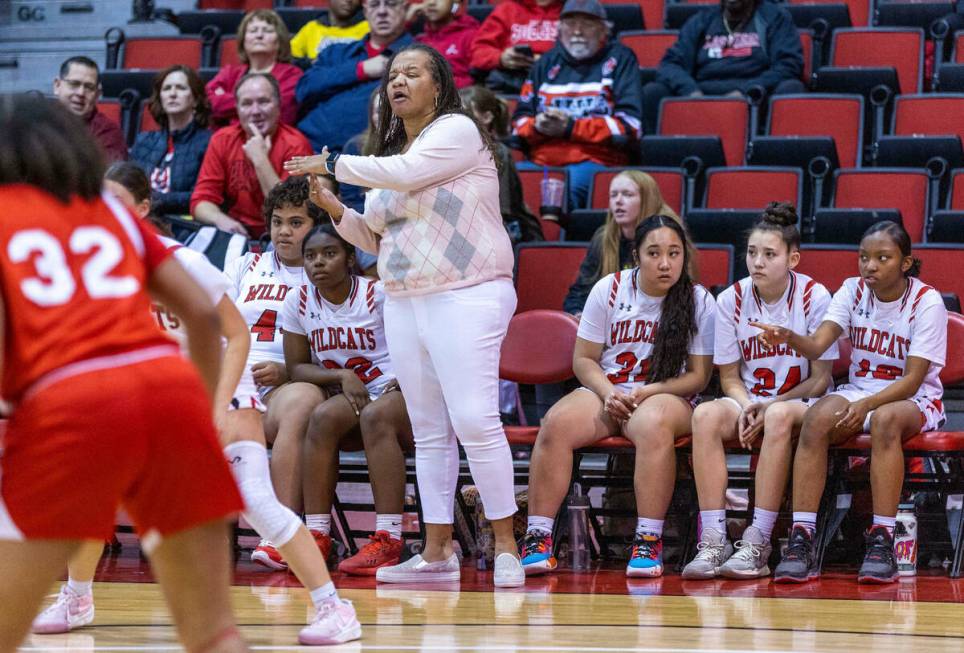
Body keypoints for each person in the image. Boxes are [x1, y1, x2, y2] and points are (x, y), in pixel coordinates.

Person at [0, 93, 245, 653]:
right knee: (215, 636)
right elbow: (203, 319)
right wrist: (204, 416)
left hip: (71, 401)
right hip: (170, 391)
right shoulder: (110, 210)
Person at [285, 43, 525, 588]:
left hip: (467, 292)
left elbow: (410, 172)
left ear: (437, 85)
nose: (398, 82)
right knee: (429, 427)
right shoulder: (389, 159)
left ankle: (508, 544)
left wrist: (333, 163)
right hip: (406, 297)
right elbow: (373, 238)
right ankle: (437, 551)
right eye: (392, 75)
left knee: (474, 418)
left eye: (411, 73)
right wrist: (336, 210)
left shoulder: (457, 132)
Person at [520, 215, 716, 578]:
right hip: (610, 390)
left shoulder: (697, 299)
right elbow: (583, 360)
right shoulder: (609, 289)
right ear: (636, 255)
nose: (665, 263)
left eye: (674, 253)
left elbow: (698, 376)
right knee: (556, 423)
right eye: (654, 253)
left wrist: (648, 391)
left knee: (651, 423)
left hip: (667, 395)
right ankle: (538, 535)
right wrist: (609, 393)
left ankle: (648, 540)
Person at [755, 221, 948, 585]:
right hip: (859, 389)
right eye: (863, 258)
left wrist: (865, 407)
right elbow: (817, 345)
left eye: (882, 258)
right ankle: (803, 537)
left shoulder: (927, 302)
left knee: (884, 420)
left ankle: (883, 539)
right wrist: (789, 337)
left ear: (906, 263)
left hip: (913, 398)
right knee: (814, 419)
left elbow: (911, 381)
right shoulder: (851, 290)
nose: (870, 266)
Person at [681, 202, 837, 580]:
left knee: (780, 416)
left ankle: (759, 540)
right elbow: (729, 376)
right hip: (749, 401)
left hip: (801, 402)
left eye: (769, 254)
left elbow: (821, 378)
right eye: (752, 253)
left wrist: (771, 406)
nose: (758, 262)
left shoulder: (815, 298)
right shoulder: (730, 300)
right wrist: (749, 405)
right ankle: (715, 537)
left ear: (792, 259)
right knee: (703, 414)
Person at [281, 224, 413, 575]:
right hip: (355, 392)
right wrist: (339, 375)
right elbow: (296, 367)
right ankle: (318, 535)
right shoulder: (298, 301)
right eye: (310, 257)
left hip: (398, 390)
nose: (318, 263)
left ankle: (389, 537)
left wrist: (404, 380)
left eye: (329, 253)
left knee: (376, 417)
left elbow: (418, 344)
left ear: (350, 259)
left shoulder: (379, 295)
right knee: (321, 417)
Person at [223, 175, 323, 569]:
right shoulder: (245, 265)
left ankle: (279, 532)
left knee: (301, 402)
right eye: (278, 221)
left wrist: (289, 370)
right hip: (235, 380)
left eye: (296, 222)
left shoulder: (325, 272)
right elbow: (214, 328)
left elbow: (340, 346)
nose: (284, 231)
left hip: (289, 384)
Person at [512, 0, 642, 211]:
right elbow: (518, 124)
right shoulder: (546, 63)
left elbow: (630, 125)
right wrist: (538, 126)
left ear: (604, 30)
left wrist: (571, 128)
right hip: (540, 161)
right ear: (559, 29)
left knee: (560, 193)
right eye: (571, 24)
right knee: (498, 185)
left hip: (594, 161)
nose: (578, 31)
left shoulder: (620, 59)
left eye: (587, 24)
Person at [643, 0, 805, 134]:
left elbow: (788, 65)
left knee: (792, 88)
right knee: (653, 91)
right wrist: (691, 91)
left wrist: (745, 92)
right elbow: (670, 64)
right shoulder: (702, 20)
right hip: (701, 97)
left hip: (754, 98)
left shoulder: (773, 18)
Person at [191, 73, 314, 238]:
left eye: (263, 102)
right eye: (247, 104)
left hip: (283, 237)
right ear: (237, 110)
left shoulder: (296, 144)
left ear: (279, 106)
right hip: (234, 233)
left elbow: (290, 210)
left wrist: (261, 160)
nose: (255, 111)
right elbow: (201, 201)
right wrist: (221, 220)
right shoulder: (222, 140)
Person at [296, 0, 414, 154]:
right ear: (365, 11)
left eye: (391, 4)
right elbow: (303, 89)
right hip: (309, 146)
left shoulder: (418, 58)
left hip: (364, 155)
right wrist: (360, 70)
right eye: (374, 5)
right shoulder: (337, 52)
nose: (382, 11)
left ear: (404, 9)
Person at [563, 170, 679, 316]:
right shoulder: (603, 238)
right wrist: (578, 313)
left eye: (627, 194)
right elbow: (579, 292)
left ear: (647, 200)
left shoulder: (669, 237)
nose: (618, 201)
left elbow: (677, 297)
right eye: (613, 195)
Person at [460, 85, 544, 244]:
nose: (458, 122)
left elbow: (501, 212)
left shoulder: (498, 153)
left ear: (487, 117)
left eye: (466, 115)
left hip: (509, 232)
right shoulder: (449, 152)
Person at [130, 65, 213, 216]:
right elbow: (128, 186)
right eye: (167, 88)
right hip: (142, 221)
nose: (173, 94)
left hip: (183, 225)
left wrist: (154, 200)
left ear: (195, 100)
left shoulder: (208, 142)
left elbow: (201, 196)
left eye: (181, 88)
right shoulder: (144, 141)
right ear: (160, 99)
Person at [206, 9, 303, 127]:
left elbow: (280, 114)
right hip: (227, 142)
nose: (259, 35)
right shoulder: (231, 72)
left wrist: (226, 106)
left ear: (279, 41)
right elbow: (208, 102)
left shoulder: (292, 74)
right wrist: (260, 104)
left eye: (267, 31)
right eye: (253, 31)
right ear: (243, 41)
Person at [469, 0, 563, 94]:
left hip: (558, 78)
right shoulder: (507, 9)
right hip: (511, 78)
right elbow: (478, 51)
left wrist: (546, 60)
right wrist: (500, 58)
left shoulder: (570, 10)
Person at [52, 56, 127, 162]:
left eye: (89, 87)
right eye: (74, 84)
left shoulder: (108, 132)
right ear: (57, 85)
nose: (80, 93)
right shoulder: (39, 122)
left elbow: (107, 175)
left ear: (97, 94)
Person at [412, 0, 480, 88]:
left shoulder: (471, 36)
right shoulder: (419, 40)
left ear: (456, 1)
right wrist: (405, 22)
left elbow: (476, 82)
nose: (431, 2)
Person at [291, 0, 371, 62]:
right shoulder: (312, 28)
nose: (349, 0)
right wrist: (309, 64)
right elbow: (289, 57)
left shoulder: (369, 28)